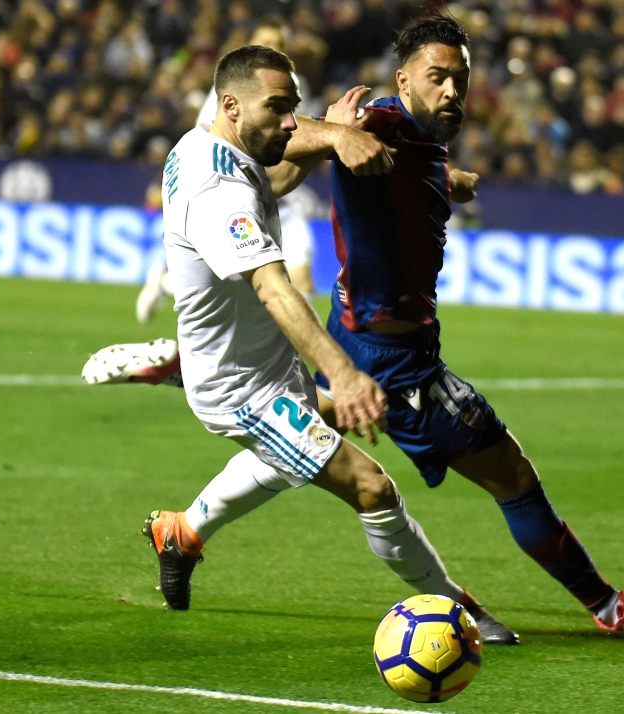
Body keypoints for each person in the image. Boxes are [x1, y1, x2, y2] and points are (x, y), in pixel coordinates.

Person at [86, 16, 624, 637]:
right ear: (405, 79)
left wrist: (436, 176)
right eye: (438, 78)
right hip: (389, 361)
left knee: (294, 444)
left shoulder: (371, 141)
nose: (453, 90)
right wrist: (336, 135)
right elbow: (297, 188)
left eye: (461, 78)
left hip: (323, 342)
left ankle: (183, 522)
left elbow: (284, 155)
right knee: (496, 479)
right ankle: (597, 608)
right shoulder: (363, 125)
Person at [138, 44, 517, 644]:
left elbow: (278, 177)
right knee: (372, 486)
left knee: (292, 455)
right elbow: (273, 289)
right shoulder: (218, 195)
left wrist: (327, 137)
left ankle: (181, 531)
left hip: (261, 363)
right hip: (241, 387)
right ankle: (454, 610)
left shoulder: (206, 144)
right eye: (279, 107)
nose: (292, 122)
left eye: (296, 107)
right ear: (231, 105)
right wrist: (340, 371)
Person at [135, 20, 317, 324]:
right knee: (240, 289)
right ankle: (166, 282)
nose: (273, 49)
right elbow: (206, 138)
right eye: (265, 42)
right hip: (238, 195)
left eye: (279, 44)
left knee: (302, 283)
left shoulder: (297, 87)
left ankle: (296, 358)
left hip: (280, 200)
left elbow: (296, 137)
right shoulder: (234, 89)